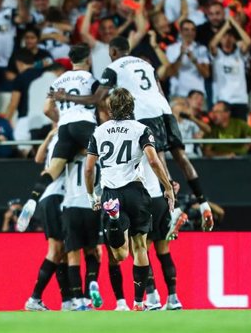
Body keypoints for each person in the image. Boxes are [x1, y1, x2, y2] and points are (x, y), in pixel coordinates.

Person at [59, 36, 215, 233]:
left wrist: (66, 96)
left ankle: (173, 212)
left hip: (145, 114)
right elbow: (159, 90)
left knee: (157, 159)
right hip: (164, 109)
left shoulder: (113, 68)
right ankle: (204, 204)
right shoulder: (145, 64)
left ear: (113, 52)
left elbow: (95, 98)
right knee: (181, 157)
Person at [84, 88, 174, 311]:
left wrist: (91, 195)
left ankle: (114, 219)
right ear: (132, 106)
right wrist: (167, 187)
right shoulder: (142, 129)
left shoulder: (99, 131)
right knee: (140, 247)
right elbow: (153, 161)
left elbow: (88, 169)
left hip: (110, 193)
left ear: (109, 108)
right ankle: (138, 301)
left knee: (119, 254)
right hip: (135, 191)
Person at [16, 44, 98, 232]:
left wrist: (60, 121)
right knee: (105, 156)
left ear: (71, 61)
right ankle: (105, 198)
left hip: (64, 127)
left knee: (53, 169)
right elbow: (100, 102)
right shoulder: (90, 79)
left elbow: (46, 109)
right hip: (85, 123)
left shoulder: (58, 81)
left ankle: (32, 199)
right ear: (88, 60)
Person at [23, 128, 70, 312]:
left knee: (63, 251)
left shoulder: (57, 136)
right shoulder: (71, 136)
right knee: (56, 250)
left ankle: (67, 300)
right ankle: (34, 298)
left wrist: (50, 135)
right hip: (56, 195)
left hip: (52, 195)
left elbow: (38, 159)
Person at [61, 148, 104, 311]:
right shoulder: (102, 155)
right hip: (93, 206)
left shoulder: (70, 153)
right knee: (94, 252)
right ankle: (88, 294)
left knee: (73, 256)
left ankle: (77, 300)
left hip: (72, 205)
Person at [138, 157, 182, 311]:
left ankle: (151, 298)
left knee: (142, 250)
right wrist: (169, 184)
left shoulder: (131, 141)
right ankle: (173, 298)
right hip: (160, 199)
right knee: (164, 251)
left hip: (144, 200)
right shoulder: (151, 144)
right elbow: (159, 161)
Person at [209, 16, 251, 119]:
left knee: (240, 134)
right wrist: (225, 26)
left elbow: (249, 42)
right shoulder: (218, 55)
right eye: (224, 36)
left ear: (234, 39)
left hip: (240, 100)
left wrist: (234, 23)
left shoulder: (240, 54)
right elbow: (212, 44)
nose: (227, 39)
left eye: (230, 36)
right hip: (222, 100)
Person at [166, 20, 210, 99]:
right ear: (181, 32)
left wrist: (194, 60)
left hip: (198, 94)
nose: (190, 32)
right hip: (178, 94)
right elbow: (170, 72)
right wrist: (181, 55)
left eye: (193, 30)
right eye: (186, 30)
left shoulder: (202, 49)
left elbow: (206, 74)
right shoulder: (171, 49)